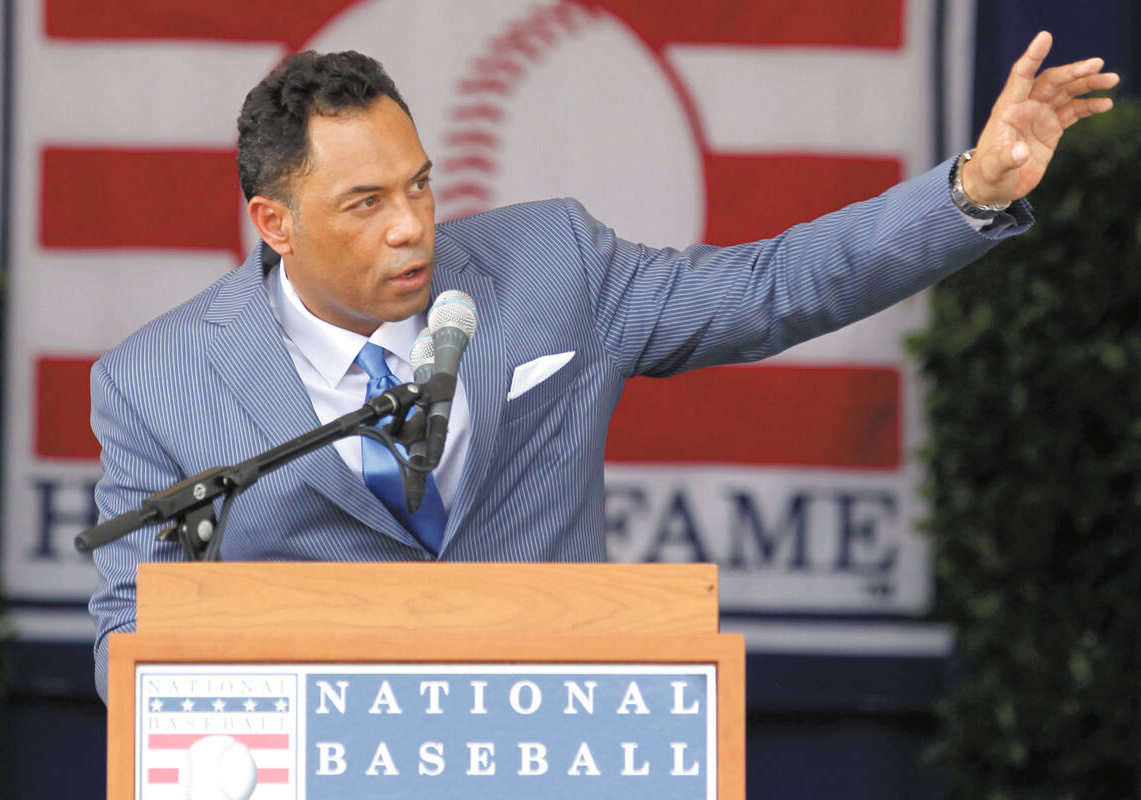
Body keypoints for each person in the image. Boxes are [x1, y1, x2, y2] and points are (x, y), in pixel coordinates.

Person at [87, 33, 1117, 700]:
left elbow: (774, 286)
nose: (412, 227)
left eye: (421, 185)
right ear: (275, 222)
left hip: (557, 741)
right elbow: (128, 634)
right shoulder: (157, 383)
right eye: (365, 204)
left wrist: (972, 189)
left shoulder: (553, 269)